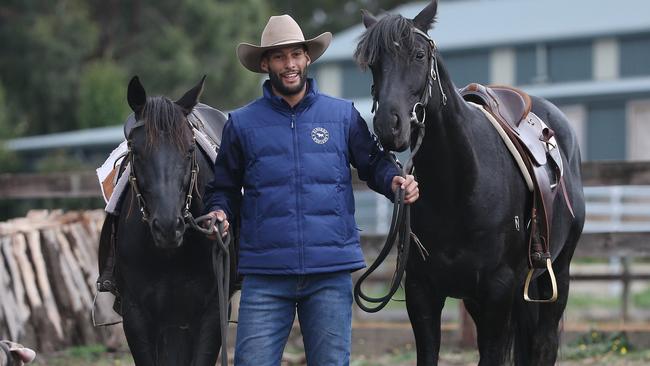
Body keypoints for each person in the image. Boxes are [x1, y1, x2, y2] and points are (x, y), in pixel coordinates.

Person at [203, 14, 419, 366]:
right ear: (265, 63)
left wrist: (393, 179)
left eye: (296, 54)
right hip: (265, 276)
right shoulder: (241, 124)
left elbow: (374, 163)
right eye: (279, 56)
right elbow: (223, 188)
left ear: (307, 58)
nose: (289, 64)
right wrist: (219, 212)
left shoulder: (341, 116)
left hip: (329, 274)